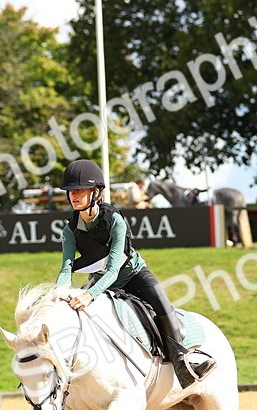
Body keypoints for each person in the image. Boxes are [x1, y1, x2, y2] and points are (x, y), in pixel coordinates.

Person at [55, 158, 214, 387]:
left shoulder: (115, 221)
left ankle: (183, 363)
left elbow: (113, 269)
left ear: (96, 192)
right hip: (101, 282)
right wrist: (59, 294)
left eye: (80, 190)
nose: (74, 195)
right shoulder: (70, 230)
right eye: (71, 191)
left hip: (132, 276)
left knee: (162, 304)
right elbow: (66, 269)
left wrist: (90, 294)